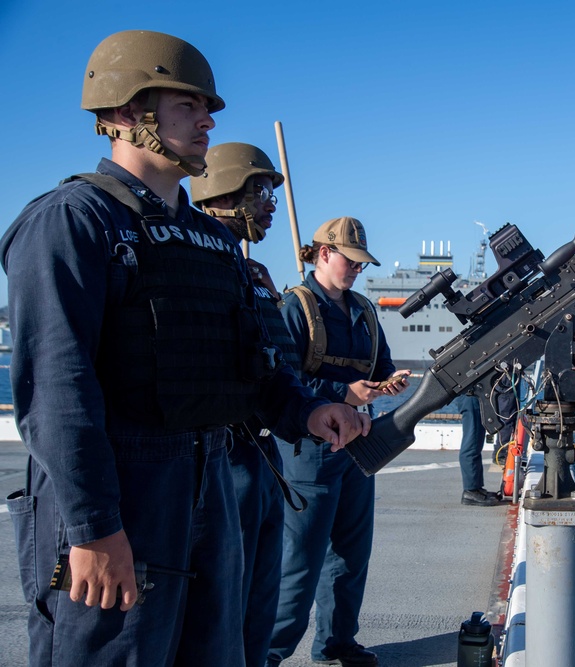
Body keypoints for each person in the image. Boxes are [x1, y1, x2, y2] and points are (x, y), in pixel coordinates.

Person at [0, 30, 368, 667]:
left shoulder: (210, 242)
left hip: (208, 487)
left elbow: (247, 366)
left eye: (208, 108)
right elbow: (57, 392)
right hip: (122, 491)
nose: (207, 120)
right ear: (124, 114)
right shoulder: (73, 221)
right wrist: (93, 526)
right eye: (186, 106)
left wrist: (304, 411)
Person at [268, 217, 410, 667]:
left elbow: (379, 366)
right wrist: (341, 394)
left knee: (351, 554)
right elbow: (281, 382)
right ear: (323, 253)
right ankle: (267, 654)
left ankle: (337, 643)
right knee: (300, 565)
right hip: (308, 452)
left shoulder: (364, 311)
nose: (357, 270)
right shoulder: (294, 308)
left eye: (361, 264)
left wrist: (388, 384)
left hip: (357, 448)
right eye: (351, 261)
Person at [191, 142, 297, 667]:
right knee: (219, 611)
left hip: (260, 456)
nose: (270, 205)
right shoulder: (194, 262)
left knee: (259, 604)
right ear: (223, 191)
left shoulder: (247, 272)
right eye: (261, 191)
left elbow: (281, 367)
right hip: (219, 461)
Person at [457, 394, 502, 506]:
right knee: (471, 442)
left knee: (476, 442)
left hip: (474, 396)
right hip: (470, 396)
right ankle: (470, 490)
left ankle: (476, 487)